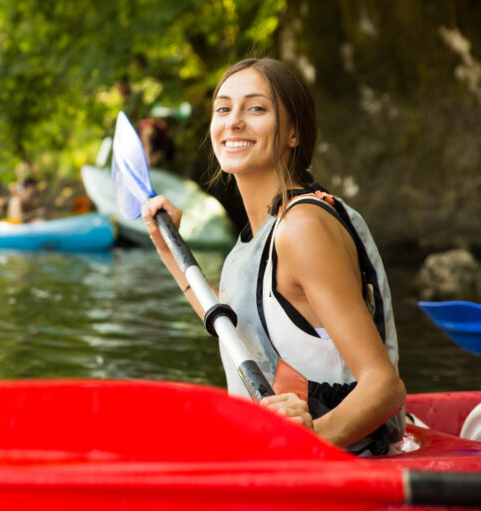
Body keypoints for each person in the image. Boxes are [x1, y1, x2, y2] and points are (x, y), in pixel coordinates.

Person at [142, 58, 406, 455]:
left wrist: (309, 438)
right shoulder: (256, 237)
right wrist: (169, 249)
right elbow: (238, 332)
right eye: (223, 108)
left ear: (294, 133)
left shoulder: (301, 228)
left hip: (339, 468)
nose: (233, 122)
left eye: (256, 108)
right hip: (273, 458)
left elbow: (383, 388)